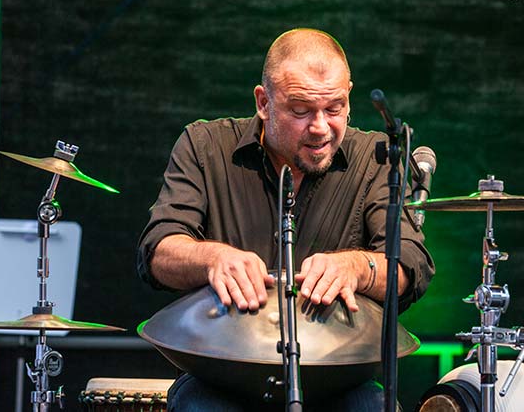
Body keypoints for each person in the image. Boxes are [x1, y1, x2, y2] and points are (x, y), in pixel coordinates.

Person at [137, 28, 435, 411]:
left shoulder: (375, 159)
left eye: (335, 108)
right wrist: (213, 259)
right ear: (264, 102)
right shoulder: (204, 145)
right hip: (222, 376)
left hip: (336, 379)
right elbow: (158, 250)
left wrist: (357, 267)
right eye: (300, 110)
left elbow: (410, 265)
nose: (320, 127)